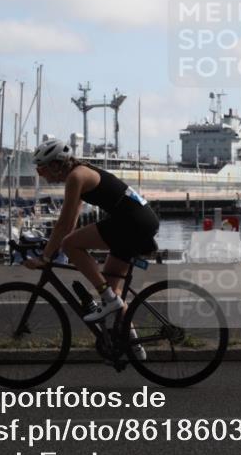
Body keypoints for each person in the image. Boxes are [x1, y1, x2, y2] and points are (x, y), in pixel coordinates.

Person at [23, 138, 159, 323]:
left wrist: (44, 258)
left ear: (55, 165)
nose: (40, 174)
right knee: (113, 291)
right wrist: (50, 249)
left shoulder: (76, 177)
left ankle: (109, 299)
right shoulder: (80, 173)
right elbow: (70, 223)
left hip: (132, 222)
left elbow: (63, 225)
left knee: (69, 245)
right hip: (141, 220)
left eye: (41, 168)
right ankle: (132, 346)